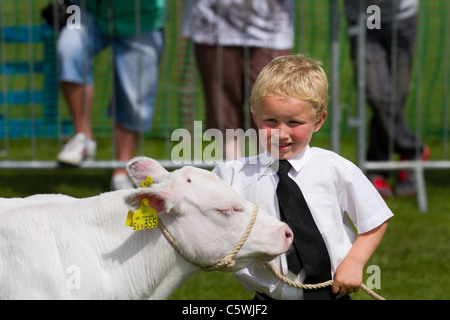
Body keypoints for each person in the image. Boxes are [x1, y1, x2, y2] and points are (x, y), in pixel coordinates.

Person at [213, 54, 393, 300]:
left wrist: (354, 262)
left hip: (330, 295)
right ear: (255, 117)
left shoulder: (336, 170)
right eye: (271, 121)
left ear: (318, 120)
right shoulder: (234, 175)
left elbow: (375, 220)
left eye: (294, 122)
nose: (281, 133)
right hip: (267, 298)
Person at [56, 0, 165, 190]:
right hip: (84, 9)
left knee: (134, 96)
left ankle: (121, 172)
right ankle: (83, 139)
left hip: (143, 17)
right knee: (68, 49)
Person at [183, 0, 294, 160]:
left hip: (271, 27)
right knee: (223, 112)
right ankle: (233, 176)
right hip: (212, 25)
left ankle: (268, 174)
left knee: (271, 108)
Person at [344, 0, 429, 198]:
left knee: (396, 97)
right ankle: (412, 150)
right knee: (379, 95)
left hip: (402, 17)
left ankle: (377, 168)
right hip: (366, 17)